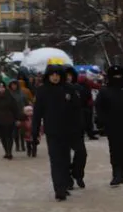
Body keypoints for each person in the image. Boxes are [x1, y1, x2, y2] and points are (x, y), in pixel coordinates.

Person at [32, 60, 85, 201]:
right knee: (56, 161)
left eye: (57, 74)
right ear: (48, 76)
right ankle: (59, 189)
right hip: (52, 131)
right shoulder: (42, 91)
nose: (55, 77)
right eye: (52, 75)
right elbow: (37, 113)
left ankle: (66, 182)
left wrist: (79, 127)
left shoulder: (69, 89)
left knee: (65, 159)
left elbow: (77, 110)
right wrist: (35, 131)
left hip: (69, 131)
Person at [62, 66, 90, 188]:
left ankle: (78, 174)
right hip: (62, 127)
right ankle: (67, 178)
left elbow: (85, 103)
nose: (68, 77)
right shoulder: (58, 90)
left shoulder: (78, 88)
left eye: (70, 75)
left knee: (81, 153)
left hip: (77, 126)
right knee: (64, 155)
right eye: (66, 75)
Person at [0, 81, 24, 159]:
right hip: (0, 119)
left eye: (3, 87)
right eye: (0, 87)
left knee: (9, 136)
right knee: (3, 137)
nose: (1, 88)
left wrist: (17, 118)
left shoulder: (10, 96)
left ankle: (9, 152)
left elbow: (15, 108)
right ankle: (6, 151)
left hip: (9, 118)